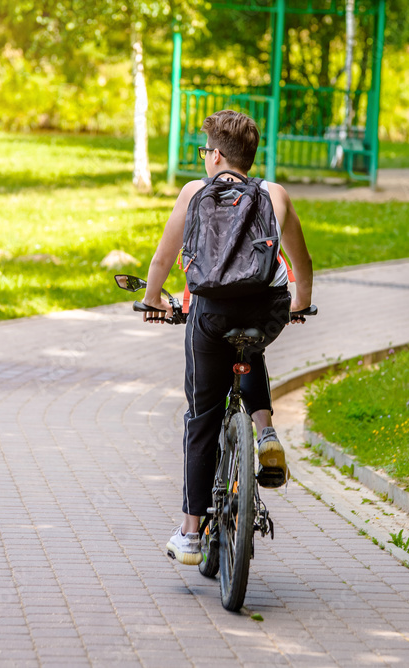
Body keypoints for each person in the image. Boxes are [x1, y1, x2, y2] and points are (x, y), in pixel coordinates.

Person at [139, 110, 314, 566]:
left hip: (211, 313)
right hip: (266, 310)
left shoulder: (194, 192)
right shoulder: (275, 194)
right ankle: (265, 431)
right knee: (250, 346)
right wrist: (300, 304)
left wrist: (153, 299)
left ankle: (190, 534)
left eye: (205, 151)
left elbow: (162, 259)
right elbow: (302, 261)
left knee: (202, 415)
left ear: (216, 155)